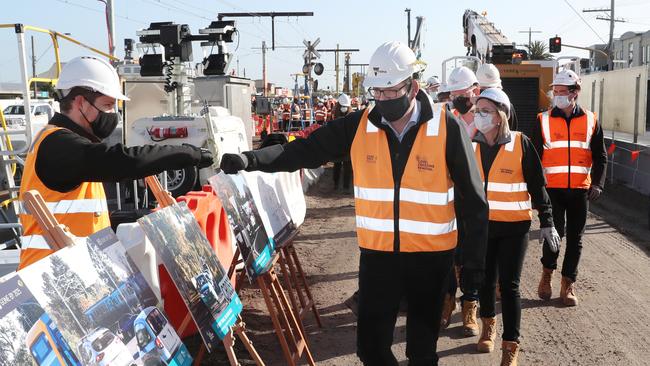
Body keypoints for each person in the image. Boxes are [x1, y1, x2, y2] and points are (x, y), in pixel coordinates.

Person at [220, 41, 488, 365]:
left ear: (412, 87)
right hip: (378, 260)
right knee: (371, 350)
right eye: (377, 92)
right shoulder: (358, 125)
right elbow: (303, 150)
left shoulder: (447, 127)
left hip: (430, 261)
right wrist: (251, 159)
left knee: (421, 353)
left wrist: (473, 265)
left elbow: (474, 200)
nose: (383, 99)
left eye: (390, 91)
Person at [17, 56, 213, 269]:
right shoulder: (58, 145)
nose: (113, 115)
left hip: (71, 273)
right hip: (50, 279)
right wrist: (187, 153)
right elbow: (123, 161)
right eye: (108, 105)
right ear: (80, 101)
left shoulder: (66, 143)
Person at [472, 88, 561, 365]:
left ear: (499, 116)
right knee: (485, 281)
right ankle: (488, 327)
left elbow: (537, 186)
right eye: (477, 111)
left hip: (514, 227)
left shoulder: (521, 144)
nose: (478, 116)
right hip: (483, 228)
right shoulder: (470, 144)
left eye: (484, 111)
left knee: (509, 286)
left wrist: (547, 221)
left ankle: (511, 346)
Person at [530, 69, 607, 306]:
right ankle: (547, 275)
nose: (558, 95)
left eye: (563, 91)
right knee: (554, 235)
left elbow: (600, 155)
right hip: (551, 190)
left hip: (579, 191)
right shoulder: (542, 120)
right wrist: (535, 191)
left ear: (575, 93)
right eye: (556, 91)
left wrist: (598, 183)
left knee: (576, 238)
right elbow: (532, 159)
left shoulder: (591, 120)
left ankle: (568, 284)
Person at [440, 65, 482, 336]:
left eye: (462, 93)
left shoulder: (490, 118)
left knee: (472, 255)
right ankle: (446, 302)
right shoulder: (445, 119)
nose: (457, 99)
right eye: (453, 94)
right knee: (446, 253)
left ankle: (470, 305)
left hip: (476, 198)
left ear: (475, 92)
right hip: (449, 196)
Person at [476, 63, 519, 130]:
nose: (487, 94)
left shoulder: (507, 107)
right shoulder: (473, 108)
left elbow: (511, 133)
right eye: (483, 90)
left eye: (490, 89)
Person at [332, 94, 353, 191]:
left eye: (346, 106)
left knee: (346, 167)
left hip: (346, 146)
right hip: (338, 145)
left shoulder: (352, 116)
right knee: (338, 166)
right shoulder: (335, 115)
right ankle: (336, 184)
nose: (344, 108)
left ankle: (345, 186)